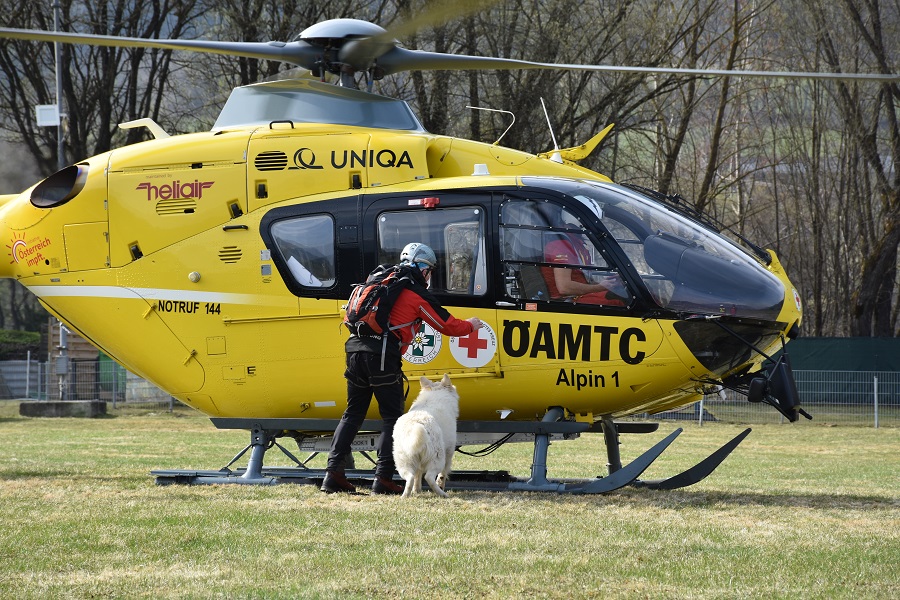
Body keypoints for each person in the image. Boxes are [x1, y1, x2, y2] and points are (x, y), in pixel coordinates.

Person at [321, 242, 484, 494]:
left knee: (352, 414)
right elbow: (448, 325)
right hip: (383, 356)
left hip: (354, 350)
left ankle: (333, 474)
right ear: (422, 268)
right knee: (392, 417)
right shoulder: (412, 293)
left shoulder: (379, 283)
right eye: (428, 270)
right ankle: (383, 478)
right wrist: (472, 325)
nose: (428, 276)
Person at [541, 231, 627, 306]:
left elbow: (583, 280)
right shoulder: (562, 245)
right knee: (619, 302)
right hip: (566, 301)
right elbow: (564, 288)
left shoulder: (576, 245)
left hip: (578, 296)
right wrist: (600, 287)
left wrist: (608, 284)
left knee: (620, 294)